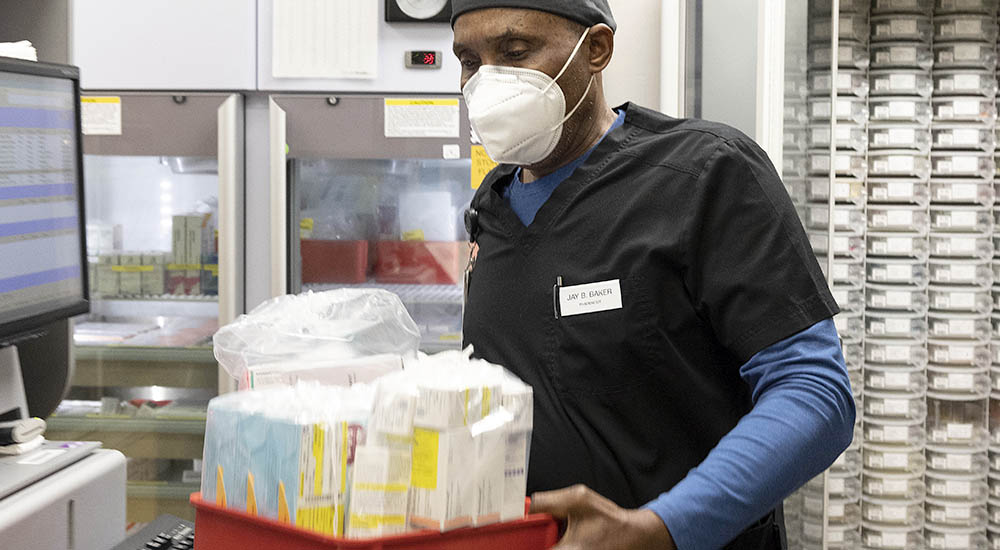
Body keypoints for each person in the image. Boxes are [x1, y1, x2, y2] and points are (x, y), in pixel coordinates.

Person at [453, 1, 856, 549]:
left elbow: (814, 392)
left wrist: (664, 528)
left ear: (596, 49)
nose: (488, 80)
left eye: (516, 52)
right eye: (470, 60)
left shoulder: (705, 173)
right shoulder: (491, 207)